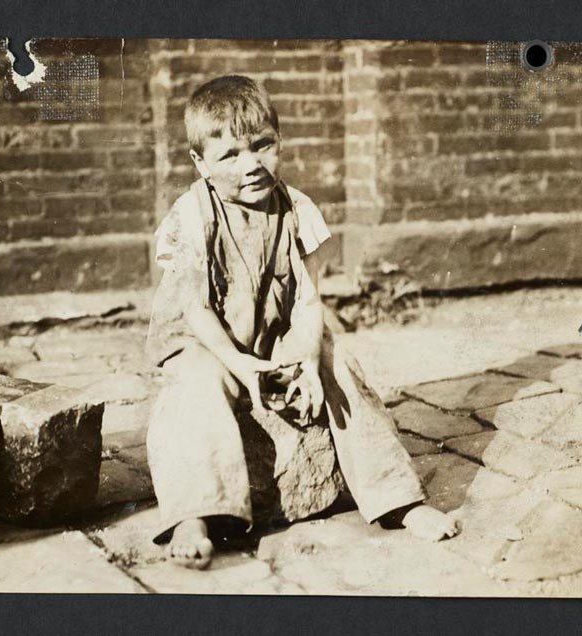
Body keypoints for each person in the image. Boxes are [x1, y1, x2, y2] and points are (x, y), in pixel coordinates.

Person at [146, 75, 458, 570]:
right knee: (198, 385)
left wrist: (308, 360)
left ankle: (398, 499)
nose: (251, 165)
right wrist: (240, 365)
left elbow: (309, 301)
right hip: (202, 342)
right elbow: (196, 310)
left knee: (340, 364)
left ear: (279, 141)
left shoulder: (297, 209)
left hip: (272, 337)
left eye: (262, 146)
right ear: (200, 163)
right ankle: (194, 513)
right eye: (229, 156)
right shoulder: (191, 216)